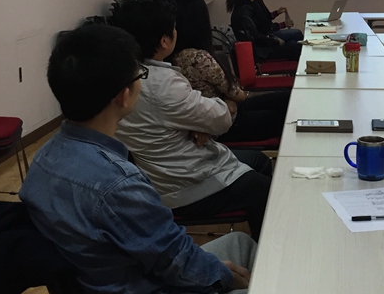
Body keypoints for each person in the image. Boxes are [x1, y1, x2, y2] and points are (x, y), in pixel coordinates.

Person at [19, 24, 256, 293]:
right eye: (140, 75)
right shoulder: (119, 184)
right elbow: (176, 262)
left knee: (241, 243)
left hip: (102, 280)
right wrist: (225, 276)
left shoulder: (41, 160)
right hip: (146, 285)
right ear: (124, 95)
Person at [111, 0, 271, 241]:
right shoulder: (162, 82)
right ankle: (269, 251)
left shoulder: (122, 74)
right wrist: (222, 106)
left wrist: (197, 122)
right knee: (265, 190)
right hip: (187, 184)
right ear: (165, 40)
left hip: (166, 169)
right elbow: (220, 118)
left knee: (259, 162)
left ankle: (261, 237)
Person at [171, 0, 290, 142]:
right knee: (285, 116)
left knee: (285, 99)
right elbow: (238, 94)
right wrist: (230, 100)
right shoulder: (198, 58)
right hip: (227, 122)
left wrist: (230, 99)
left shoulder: (174, 56)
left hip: (224, 111)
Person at [226, 0, 301, 61]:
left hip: (262, 46)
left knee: (293, 44)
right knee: (296, 48)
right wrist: (276, 41)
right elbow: (257, 37)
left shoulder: (246, 5)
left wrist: (274, 39)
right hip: (261, 52)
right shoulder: (245, 11)